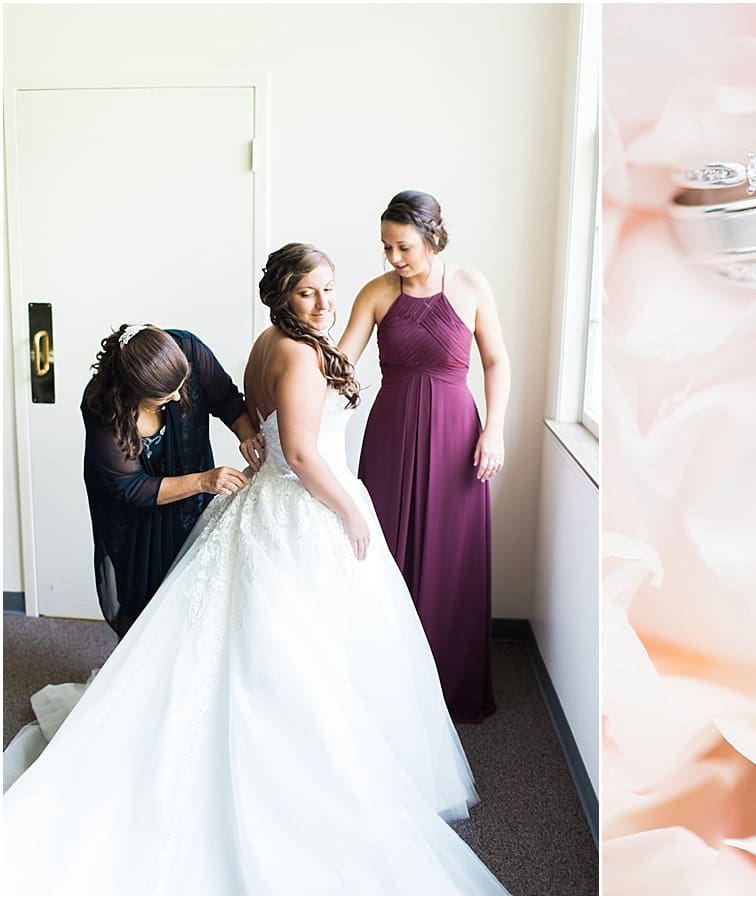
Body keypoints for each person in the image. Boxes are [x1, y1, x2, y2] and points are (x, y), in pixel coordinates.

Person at [4, 244, 506, 895]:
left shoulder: (264, 342)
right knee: (299, 653)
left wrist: (247, 432)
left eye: (330, 288)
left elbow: (240, 406)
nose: (327, 302)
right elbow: (298, 450)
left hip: (262, 499)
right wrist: (349, 509)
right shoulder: (293, 353)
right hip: (300, 503)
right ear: (283, 299)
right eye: (309, 293)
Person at [340, 190, 512, 723]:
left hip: (459, 435)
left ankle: (449, 688)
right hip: (390, 435)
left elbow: (496, 361)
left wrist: (496, 431)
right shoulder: (375, 293)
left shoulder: (471, 285)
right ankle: (388, 688)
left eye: (404, 247)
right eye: (386, 247)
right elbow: (341, 364)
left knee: (451, 555)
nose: (394, 258)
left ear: (432, 237)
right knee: (384, 551)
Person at [82, 325, 261, 637]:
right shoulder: (103, 406)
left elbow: (226, 399)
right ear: (134, 391)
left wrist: (247, 437)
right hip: (135, 519)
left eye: (181, 385)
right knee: (145, 609)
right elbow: (131, 487)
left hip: (191, 507)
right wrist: (205, 481)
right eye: (166, 394)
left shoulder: (187, 350)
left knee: (194, 600)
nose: (179, 396)